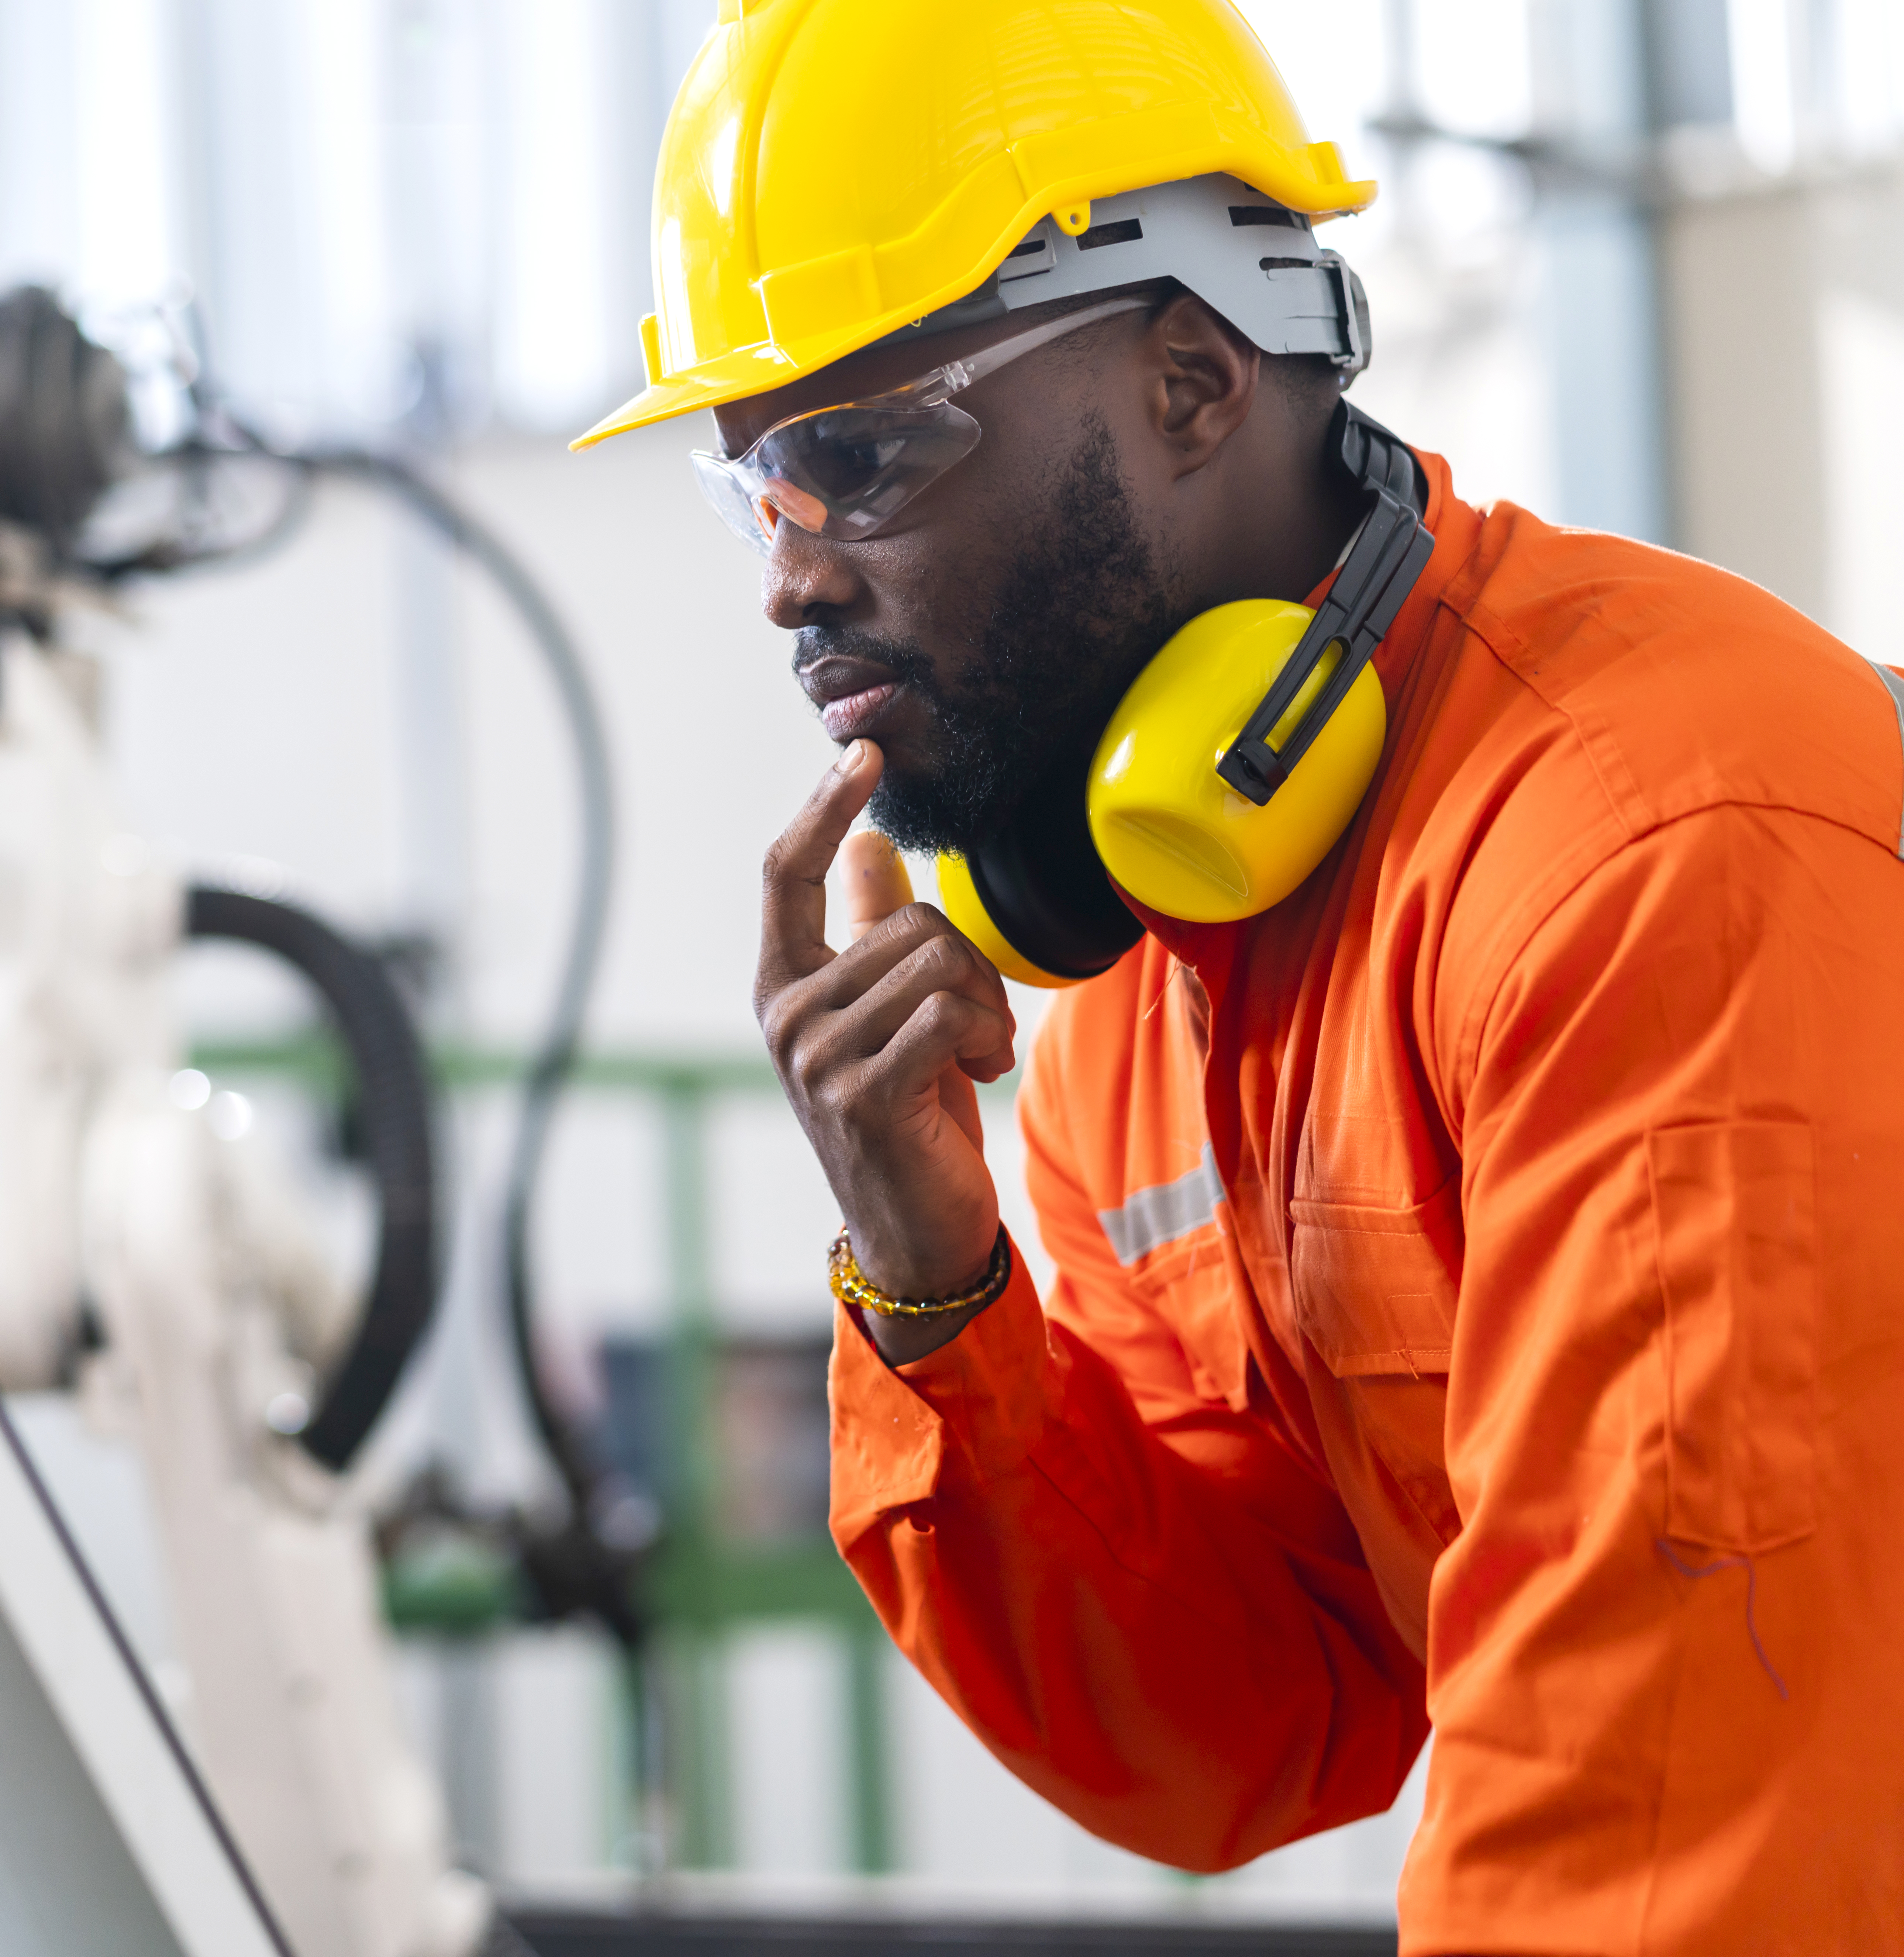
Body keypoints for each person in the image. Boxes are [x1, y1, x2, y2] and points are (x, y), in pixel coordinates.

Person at [576, 3, 1903, 1949]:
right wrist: (942, 1289)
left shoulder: (1654, 844)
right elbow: (1248, 1718)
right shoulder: (1130, 984)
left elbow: (1678, 1818)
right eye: (749, 488)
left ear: (1192, 379)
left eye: (853, 456)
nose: (788, 574)